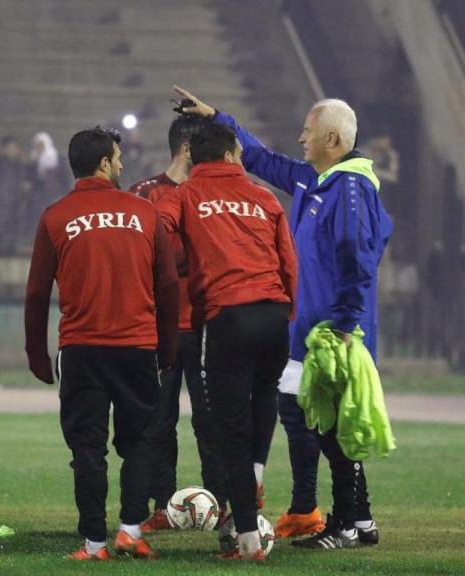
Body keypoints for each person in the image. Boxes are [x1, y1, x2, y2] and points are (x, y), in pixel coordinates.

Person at [175, 86, 392, 549]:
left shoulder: (351, 185)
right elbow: (261, 159)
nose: (300, 138)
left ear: (332, 138)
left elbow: (359, 253)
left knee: (329, 426)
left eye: (308, 132)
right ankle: (355, 518)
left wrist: (346, 319)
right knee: (307, 417)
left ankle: (348, 522)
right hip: (311, 330)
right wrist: (220, 118)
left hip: (335, 331)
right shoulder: (320, 181)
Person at [25, 126, 179, 561]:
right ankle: (131, 529)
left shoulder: (55, 216)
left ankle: (94, 544)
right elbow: (168, 286)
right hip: (136, 347)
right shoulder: (144, 213)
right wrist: (167, 349)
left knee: (87, 449)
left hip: (82, 350)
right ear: (104, 163)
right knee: (141, 441)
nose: (122, 164)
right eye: (117, 157)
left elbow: (36, 293)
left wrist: (37, 355)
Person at [157, 121, 297, 562]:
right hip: (273, 315)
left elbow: (157, 232)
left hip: (227, 317)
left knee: (228, 431)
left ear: (196, 159)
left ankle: (249, 541)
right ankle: (255, 473)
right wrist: (286, 312)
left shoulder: (185, 196)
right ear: (234, 155)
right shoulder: (264, 197)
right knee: (264, 396)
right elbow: (288, 263)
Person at [127, 114, 230, 531]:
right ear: (188, 149)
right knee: (158, 420)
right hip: (161, 328)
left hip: (207, 327)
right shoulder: (144, 195)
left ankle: (220, 503)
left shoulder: (212, 195)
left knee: (211, 421)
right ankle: (162, 505)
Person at [0, 136, 29, 255]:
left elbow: (24, 179)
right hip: (3, 199)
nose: (12, 151)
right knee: (1, 223)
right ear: (4, 150)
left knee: (15, 224)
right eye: (10, 148)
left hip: (17, 199)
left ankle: (12, 247)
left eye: (14, 148)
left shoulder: (20, 163)